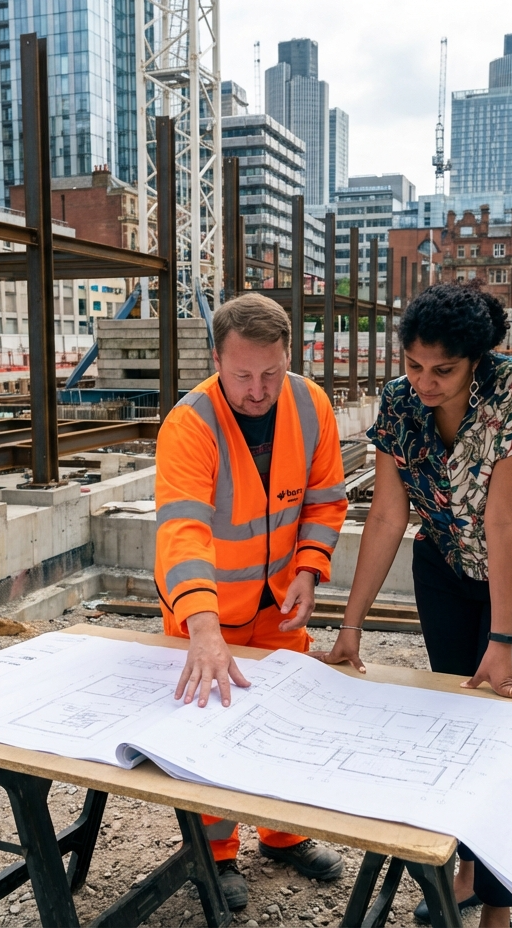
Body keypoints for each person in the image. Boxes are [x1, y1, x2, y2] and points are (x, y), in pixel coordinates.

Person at [308, 281, 512, 928]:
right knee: (458, 724)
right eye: (414, 366)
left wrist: (503, 643)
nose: (425, 382)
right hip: (446, 571)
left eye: (443, 371)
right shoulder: (400, 403)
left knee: (507, 731)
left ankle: (499, 908)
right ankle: (464, 870)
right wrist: (351, 627)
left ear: (477, 360)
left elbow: (506, 522)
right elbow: (388, 517)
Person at [153, 292, 348, 910]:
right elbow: (182, 530)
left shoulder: (311, 404)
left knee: (285, 718)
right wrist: (203, 628)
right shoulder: (191, 424)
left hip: (277, 607)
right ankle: (213, 852)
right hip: (205, 612)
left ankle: (284, 833)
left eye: (271, 373)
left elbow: (324, 500)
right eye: (242, 376)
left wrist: (311, 570)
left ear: (290, 356)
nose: (258, 389)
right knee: (209, 727)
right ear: (217, 359)